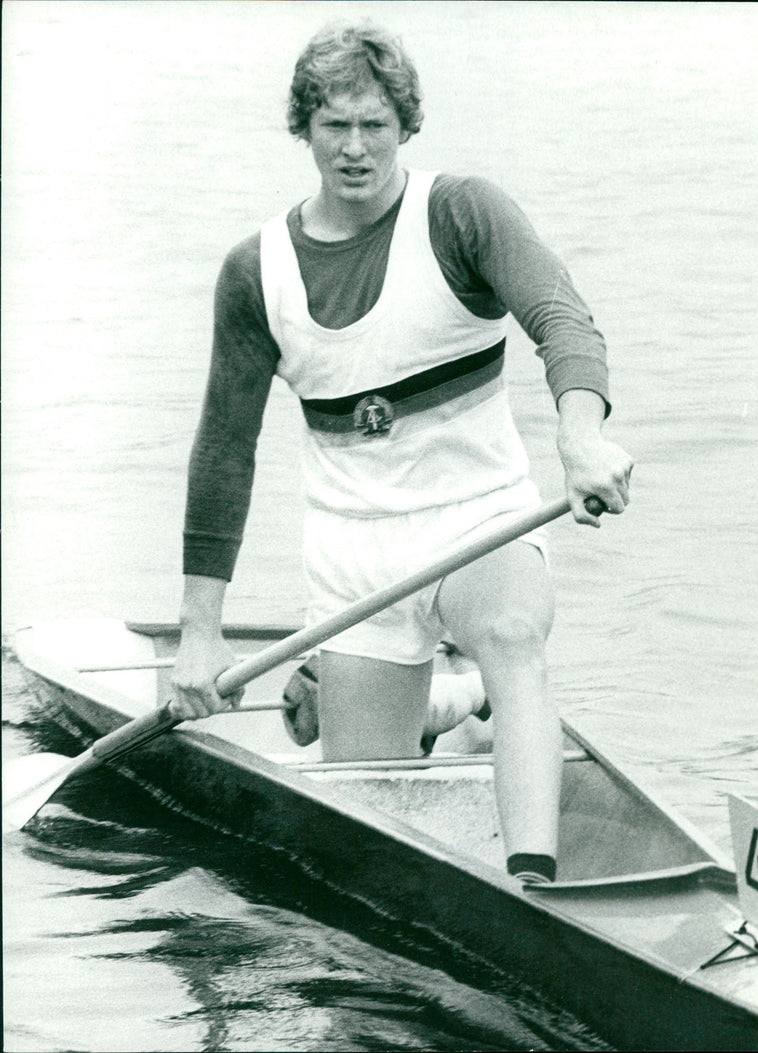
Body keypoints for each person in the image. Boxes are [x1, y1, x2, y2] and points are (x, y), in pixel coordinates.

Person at [171, 20, 633, 888]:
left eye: (374, 125)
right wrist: (199, 634)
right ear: (304, 129)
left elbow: (563, 320)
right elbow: (225, 448)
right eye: (334, 125)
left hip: (480, 521)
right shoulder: (254, 271)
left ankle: (534, 881)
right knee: (362, 842)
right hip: (356, 559)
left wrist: (580, 434)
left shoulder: (462, 214)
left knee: (509, 628)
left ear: (406, 127)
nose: (355, 148)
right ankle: (450, 709)